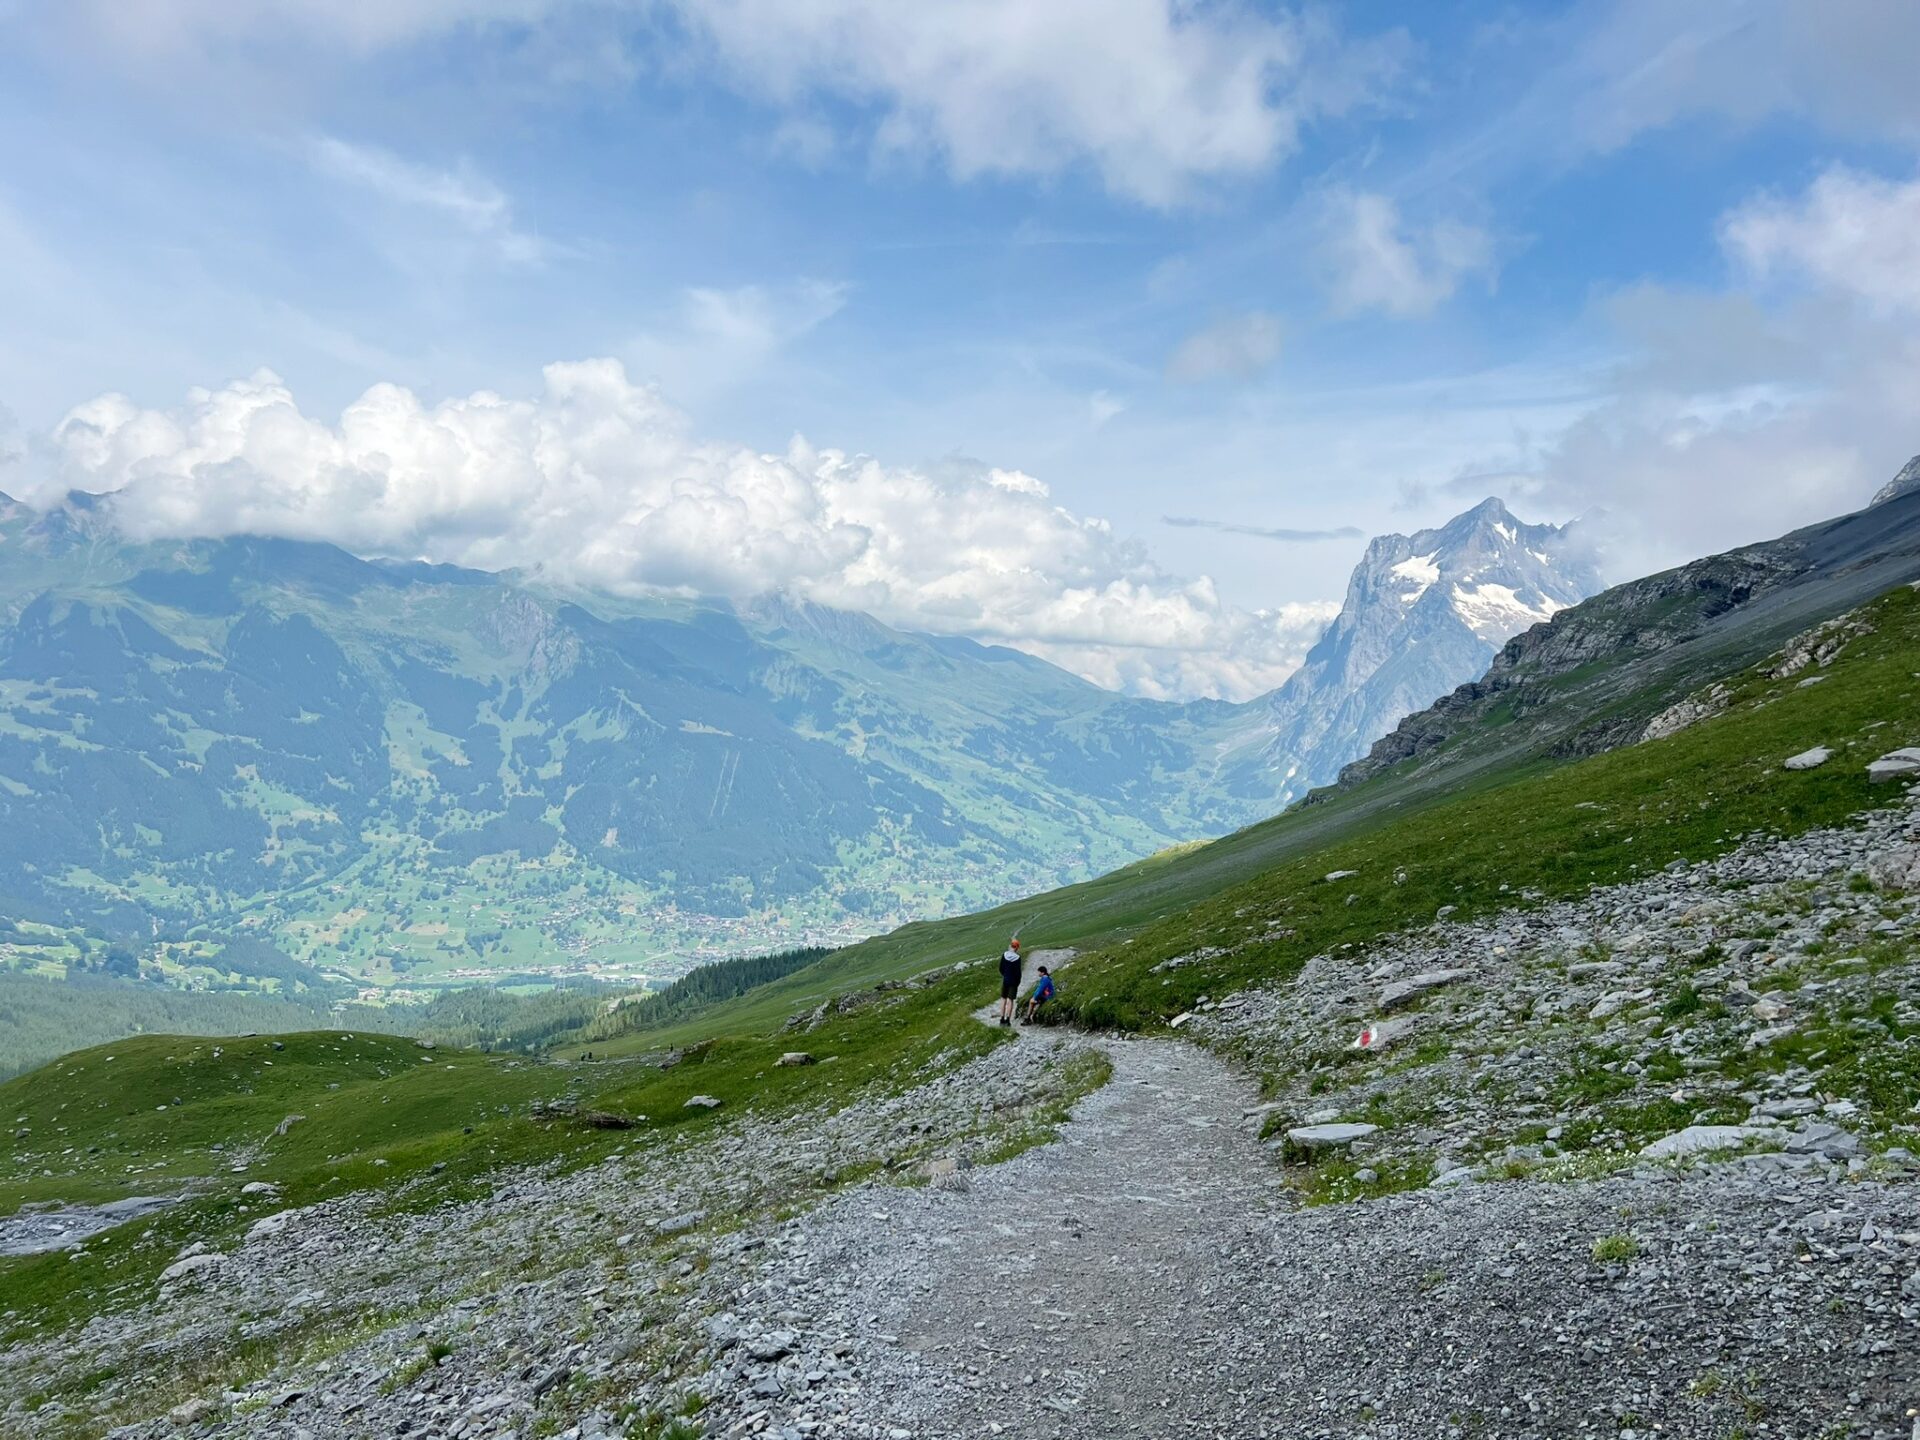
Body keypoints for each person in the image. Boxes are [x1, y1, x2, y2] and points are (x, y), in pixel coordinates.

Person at [996, 938, 1023, 1026]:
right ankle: (1008, 1020)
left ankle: (1001, 1019)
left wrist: (1005, 975)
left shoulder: (1004, 955)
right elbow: (1018, 973)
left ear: (1011, 946)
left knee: (1003, 998)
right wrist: (1017, 982)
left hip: (1006, 980)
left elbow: (1001, 968)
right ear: (1017, 948)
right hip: (1013, 982)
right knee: (1010, 1000)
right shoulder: (1018, 958)